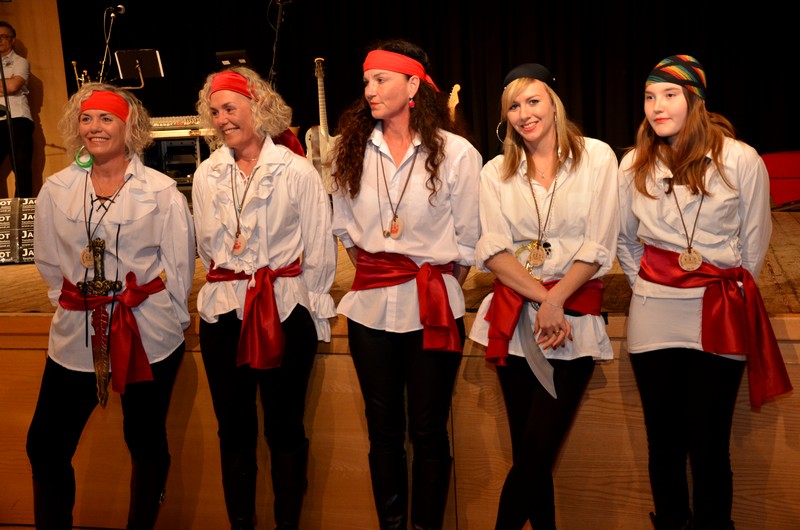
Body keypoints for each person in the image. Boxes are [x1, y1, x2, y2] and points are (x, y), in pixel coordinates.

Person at [616, 55, 793, 530]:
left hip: (717, 307)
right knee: (664, 441)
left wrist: (724, 289)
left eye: (669, 95)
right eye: (649, 96)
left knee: (709, 441)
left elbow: (755, 239)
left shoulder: (740, 158)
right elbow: (625, 240)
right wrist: (648, 286)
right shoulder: (634, 162)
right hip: (654, 311)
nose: (656, 106)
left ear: (695, 100)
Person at [26, 83, 195, 529]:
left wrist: (169, 321)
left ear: (128, 127)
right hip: (75, 335)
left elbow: (178, 267)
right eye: (86, 118)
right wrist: (75, 304)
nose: (95, 127)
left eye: (106, 118)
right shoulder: (56, 189)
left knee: (145, 440)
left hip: (146, 335)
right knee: (45, 444)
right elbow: (48, 262)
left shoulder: (162, 192)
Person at [330, 39, 482, 530]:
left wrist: (439, 285)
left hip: (433, 308)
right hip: (369, 311)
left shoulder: (457, 153)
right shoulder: (350, 148)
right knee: (383, 432)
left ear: (413, 85)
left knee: (429, 430)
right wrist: (379, 272)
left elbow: (468, 239)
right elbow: (344, 228)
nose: (369, 90)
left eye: (381, 80)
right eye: (366, 81)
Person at [468, 63, 620, 529]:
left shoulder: (597, 158)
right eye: (513, 106)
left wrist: (556, 301)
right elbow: (493, 251)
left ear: (554, 104)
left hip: (572, 320)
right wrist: (543, 298)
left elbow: (599, 245)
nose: (524, 113)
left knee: (535, 452)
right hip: (515, 320)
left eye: (533, 101)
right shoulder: (495, 172)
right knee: (531, 455)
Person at [192, 66, 336, 530]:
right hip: (222, 313)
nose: (222, 119)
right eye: (215, 112)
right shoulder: (206, 173)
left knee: (284, 426)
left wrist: (315, 305)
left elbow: (319, 245)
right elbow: (205, 248)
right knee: (232, 430)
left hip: (283, 309)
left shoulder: (296, 171)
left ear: (258, 108)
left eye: (230, 109)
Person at [0, 20, 34, 198]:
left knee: (21, 168)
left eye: (3, 36)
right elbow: (8, 85)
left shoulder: (21, 62)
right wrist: (6, 83)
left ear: (12, 40)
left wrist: (9, 83)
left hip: (17, 119)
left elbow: (12, 87)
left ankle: (21, 210)